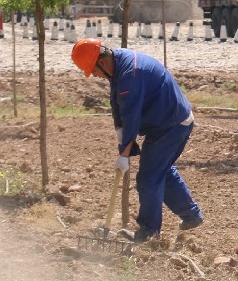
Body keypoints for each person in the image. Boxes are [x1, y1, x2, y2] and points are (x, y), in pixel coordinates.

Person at [71, 38, 202, 243]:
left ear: (102, 62)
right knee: (160, 171)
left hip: (172, 124)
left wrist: (125, 153)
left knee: (148, 178)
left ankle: (149, 233)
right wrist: (119, 132)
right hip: (166, 122)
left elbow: (131, 115)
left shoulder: (130, 75)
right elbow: (117, 104)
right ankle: (191, 215)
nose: (94, 75)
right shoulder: (119, 63)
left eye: (93, 71)